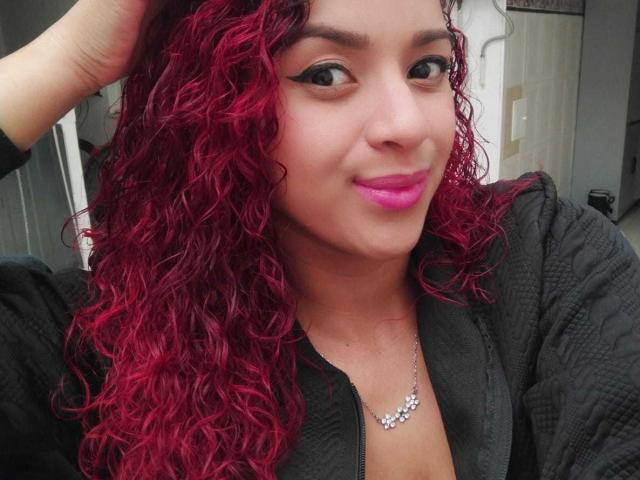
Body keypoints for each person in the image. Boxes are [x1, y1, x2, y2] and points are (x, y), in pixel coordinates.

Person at [1, 0, 640, 479]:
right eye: (327, 74)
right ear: (212, 105)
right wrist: (70, 59)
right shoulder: (101, 352)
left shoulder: (543, 255)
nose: (407, 124)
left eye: (426, 67)